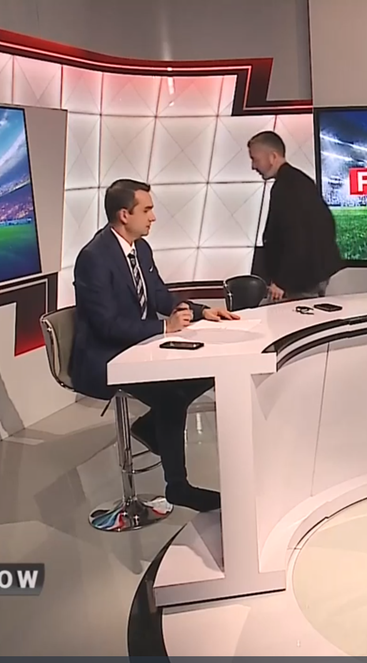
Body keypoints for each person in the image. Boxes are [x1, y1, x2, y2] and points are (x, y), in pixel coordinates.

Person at [69, 179, 240, 512]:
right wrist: (164, 327)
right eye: (146, 210)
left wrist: (202, 311)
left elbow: (159, 295)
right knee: (170, 395)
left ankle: (150, 426)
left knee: (208, 369)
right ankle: (178, 487)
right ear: (124, 215)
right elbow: (106, 325)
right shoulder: (93, 258)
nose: (153, 217)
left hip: (140, 345)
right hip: (106, 357)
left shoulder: (141, 248)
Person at [247, 131, 344, 301]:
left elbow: (296, 237)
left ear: (272, 157)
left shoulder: (285, 188)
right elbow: (327, 224)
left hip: (300, 283)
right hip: (315, 276)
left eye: (255, 159)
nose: (253, 166)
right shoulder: (301, 181)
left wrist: (283, 281)